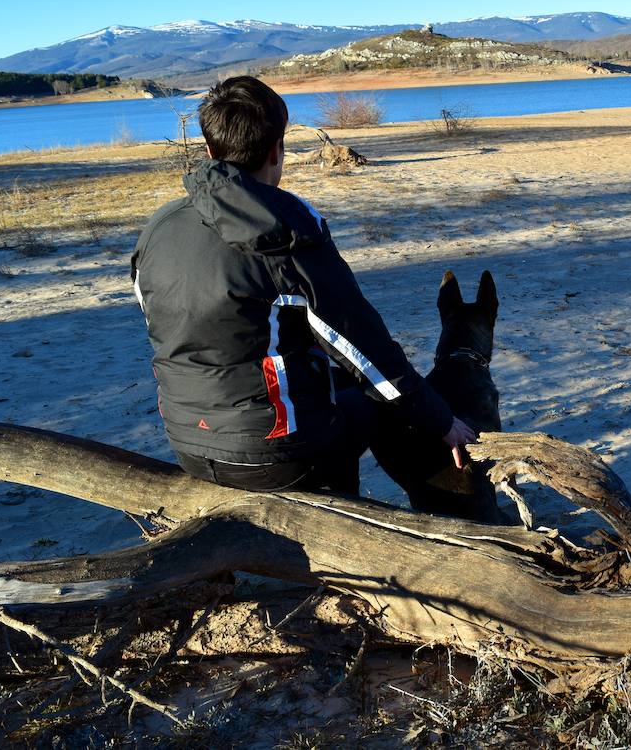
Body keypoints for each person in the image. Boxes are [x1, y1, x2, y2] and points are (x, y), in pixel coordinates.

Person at [130, 76, 477, 500]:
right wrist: (441, 421)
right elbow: (362, 345)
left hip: (187, 441)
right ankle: (431, 507)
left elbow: (164, 320)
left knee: (340, 384)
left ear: (209, 149)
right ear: (278, 150)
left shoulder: (159, 227)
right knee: (387, 401)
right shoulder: (286, 234)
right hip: (276, 453)